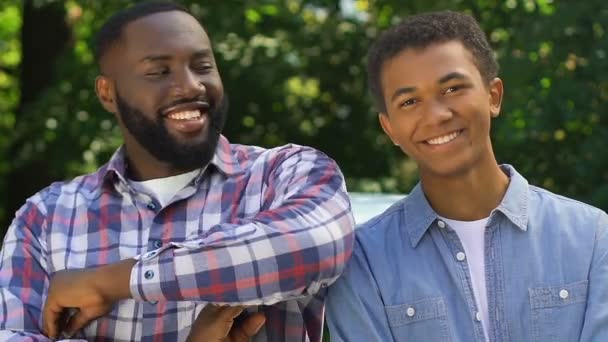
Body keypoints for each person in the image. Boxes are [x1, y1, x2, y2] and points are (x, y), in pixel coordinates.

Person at [0, 1, 355, 341]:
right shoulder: (44, 218)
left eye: (203, 67)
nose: (190, 86)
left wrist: (113, 280)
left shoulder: (284, 173)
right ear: (108, 93)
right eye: (158, 71)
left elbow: (313, 246)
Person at [326, 10, 608, 342]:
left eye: (452, 89)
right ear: (389, 128)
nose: (436, 115)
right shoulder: (362, 262)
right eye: (410, 101)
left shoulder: (592, 237)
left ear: (493, 96)